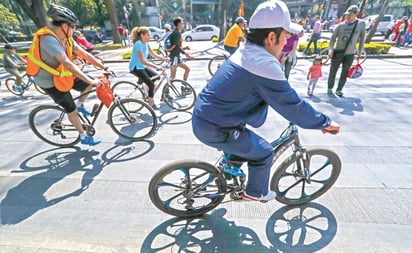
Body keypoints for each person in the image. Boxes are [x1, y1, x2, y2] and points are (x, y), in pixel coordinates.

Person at [191, 1, 340, 202]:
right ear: (271, 37)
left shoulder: (247, 50)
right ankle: (255, 192)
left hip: (211, 116)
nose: (286, 43)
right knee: (263, 152)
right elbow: (292, 106)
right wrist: (324, 122)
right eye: (286, 38)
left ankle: (231, 165)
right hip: (216, 126)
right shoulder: (263, 64)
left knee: (247, 143)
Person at [26, 4, 110, 146]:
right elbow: (67, 63)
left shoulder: (66, 39)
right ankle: (83, 137)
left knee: (90, 83)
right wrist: (90, 79)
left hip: (62, 75)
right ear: (65, 26)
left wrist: (103, 66)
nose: (75, 30)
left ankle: (81, 105)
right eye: (73, 27)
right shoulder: (48, 39)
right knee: (71, 108)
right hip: (48, 81)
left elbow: (84, 54)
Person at [327, 5, 366, 97]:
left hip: (350, 53)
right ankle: (330, 87)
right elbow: (332, 39)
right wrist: (330, 50)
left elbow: (362, 39)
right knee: (333, 71)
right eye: (346, 15)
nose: (347, 16)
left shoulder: (361, 24)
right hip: (338, 52)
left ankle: (339, 89)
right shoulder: (340, 26)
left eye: (350, 14)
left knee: (345, 72)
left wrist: (359, 52)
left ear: (355, 14)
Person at [129, 26, 167, 108]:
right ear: (142, 35)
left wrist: (163, 58)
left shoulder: (146, 43)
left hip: (141, 66)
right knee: (151, 84)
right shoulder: (138, 44)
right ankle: (151, 103)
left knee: (157, 77)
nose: (149, 37)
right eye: (148, 35)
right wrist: (156, 66)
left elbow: (153, 54)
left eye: (149, 35)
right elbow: (143, 61)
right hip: (136, 67)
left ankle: (145, 89)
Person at [168, 17, 195, 81]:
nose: (183, 24)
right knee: (173, 76)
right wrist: (187, 55)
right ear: (179, 24)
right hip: (175, 57)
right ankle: (183, 87)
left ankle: (183, 87)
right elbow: (177, 46)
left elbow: (176, 46)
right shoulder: (177, 33)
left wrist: (185, 48)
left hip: (175, 56)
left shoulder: (176, 32)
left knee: (173, 75)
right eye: (182, 23)